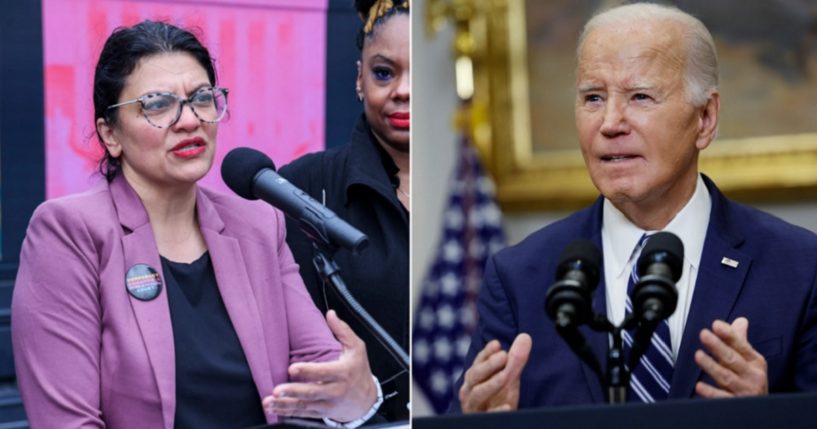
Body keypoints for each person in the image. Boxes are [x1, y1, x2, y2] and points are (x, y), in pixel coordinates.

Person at [12, 20, 379, 428]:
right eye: (157, 104)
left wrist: (358, 396)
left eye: (202, 98)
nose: (189, 121)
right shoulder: (69, 232)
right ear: (110, 134)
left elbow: (325, 378)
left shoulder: (257, 224)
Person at [452, 3, 817, 412]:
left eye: (640, 97)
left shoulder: (800, 268)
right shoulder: (519, 278)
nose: (610, 123)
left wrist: (768, 417)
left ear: (706, 118)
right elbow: (475, 412)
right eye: (593, 97)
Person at [278, 0, 410, 422]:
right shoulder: (300, 188)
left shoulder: (464, 198)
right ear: (358, 79)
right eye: (384, 73)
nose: (403, 90)